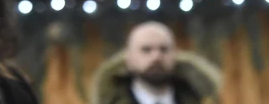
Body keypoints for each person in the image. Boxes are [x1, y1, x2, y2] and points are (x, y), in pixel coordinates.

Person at [91, 22, 220, 104]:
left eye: (164, 49)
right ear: (129, 58)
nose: (157, 57)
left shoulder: (202, 99)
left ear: (175, 54)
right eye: (146, 50)